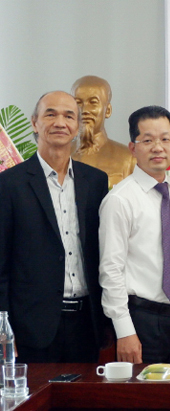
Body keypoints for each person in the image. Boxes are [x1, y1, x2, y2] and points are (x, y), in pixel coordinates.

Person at [0, 91, 109, 362]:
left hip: (87, 325)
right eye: (51, 114)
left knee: (83, 404)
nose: (60, 122)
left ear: (77, 127)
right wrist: (4, 330)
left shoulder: (95, 182)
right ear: (35, 123)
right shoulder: (9, 185)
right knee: (35, 404)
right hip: (31, 328)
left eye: (69, 115)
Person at [99, 106, 170, 364]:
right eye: (148, 140)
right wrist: (125, 331)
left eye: (165, 139)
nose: (158, 147)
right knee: (145, 401)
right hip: (142, 323)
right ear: (133, 147)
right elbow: (111, 269)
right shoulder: (120, 200)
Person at [71, 75, 135, 187]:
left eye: (93, 102)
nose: (85, 110)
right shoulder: (58, 156)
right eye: (78, 103)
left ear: (108, 110)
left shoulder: (129, 159)